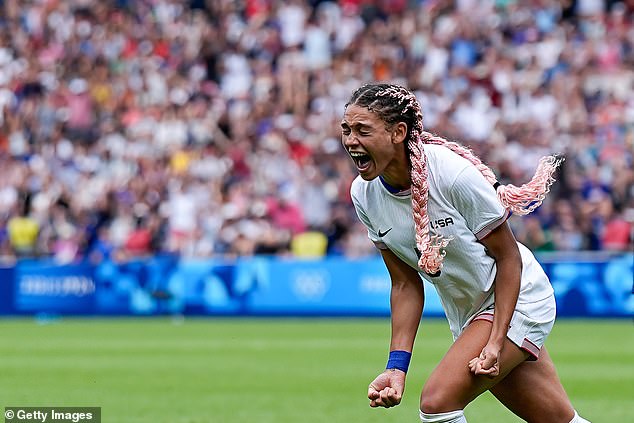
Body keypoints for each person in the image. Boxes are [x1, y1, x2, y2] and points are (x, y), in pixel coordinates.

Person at [340, 83, 591, 423]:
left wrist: (495, 341)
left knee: (436, 403)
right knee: (559, 420)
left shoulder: (451, 174)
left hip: (517, 300)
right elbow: (404, 285)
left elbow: (508, 257)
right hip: (470, 316)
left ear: (398, 132)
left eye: (362, 130)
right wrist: (396, 368)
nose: (351, 140)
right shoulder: (363, 194)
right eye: (347, 130)